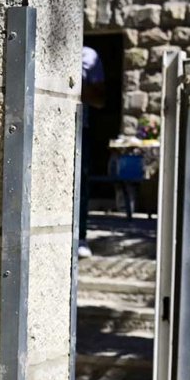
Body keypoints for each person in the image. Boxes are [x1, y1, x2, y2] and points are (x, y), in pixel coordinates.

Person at [77, 44, 106, 259]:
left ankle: (80, 237)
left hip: (79, 129)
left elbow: (99, 99)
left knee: (80, 184)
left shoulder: (88, 55)